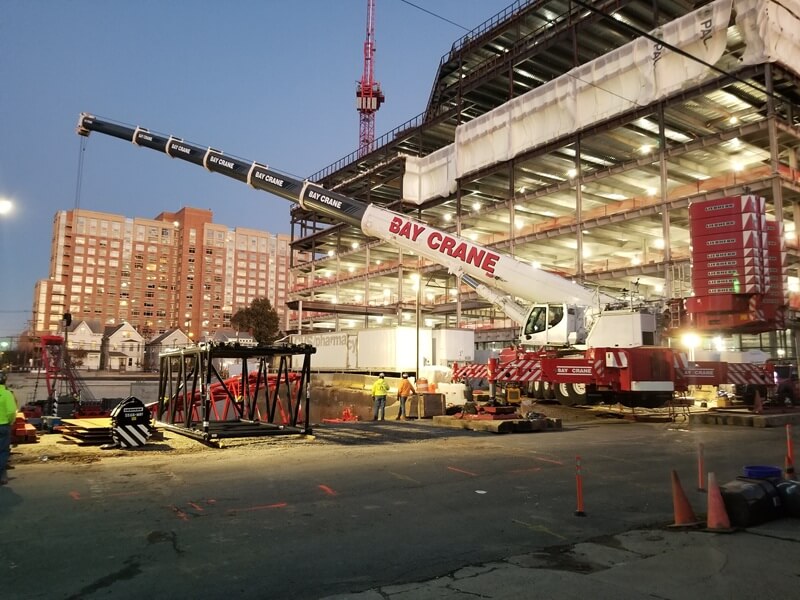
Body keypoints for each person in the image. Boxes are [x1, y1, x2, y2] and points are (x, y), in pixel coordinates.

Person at [0, 372, 18, 485]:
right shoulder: (7, 394)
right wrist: (10, 421)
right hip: (3, 426)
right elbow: (12, 411)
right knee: (2, 451)